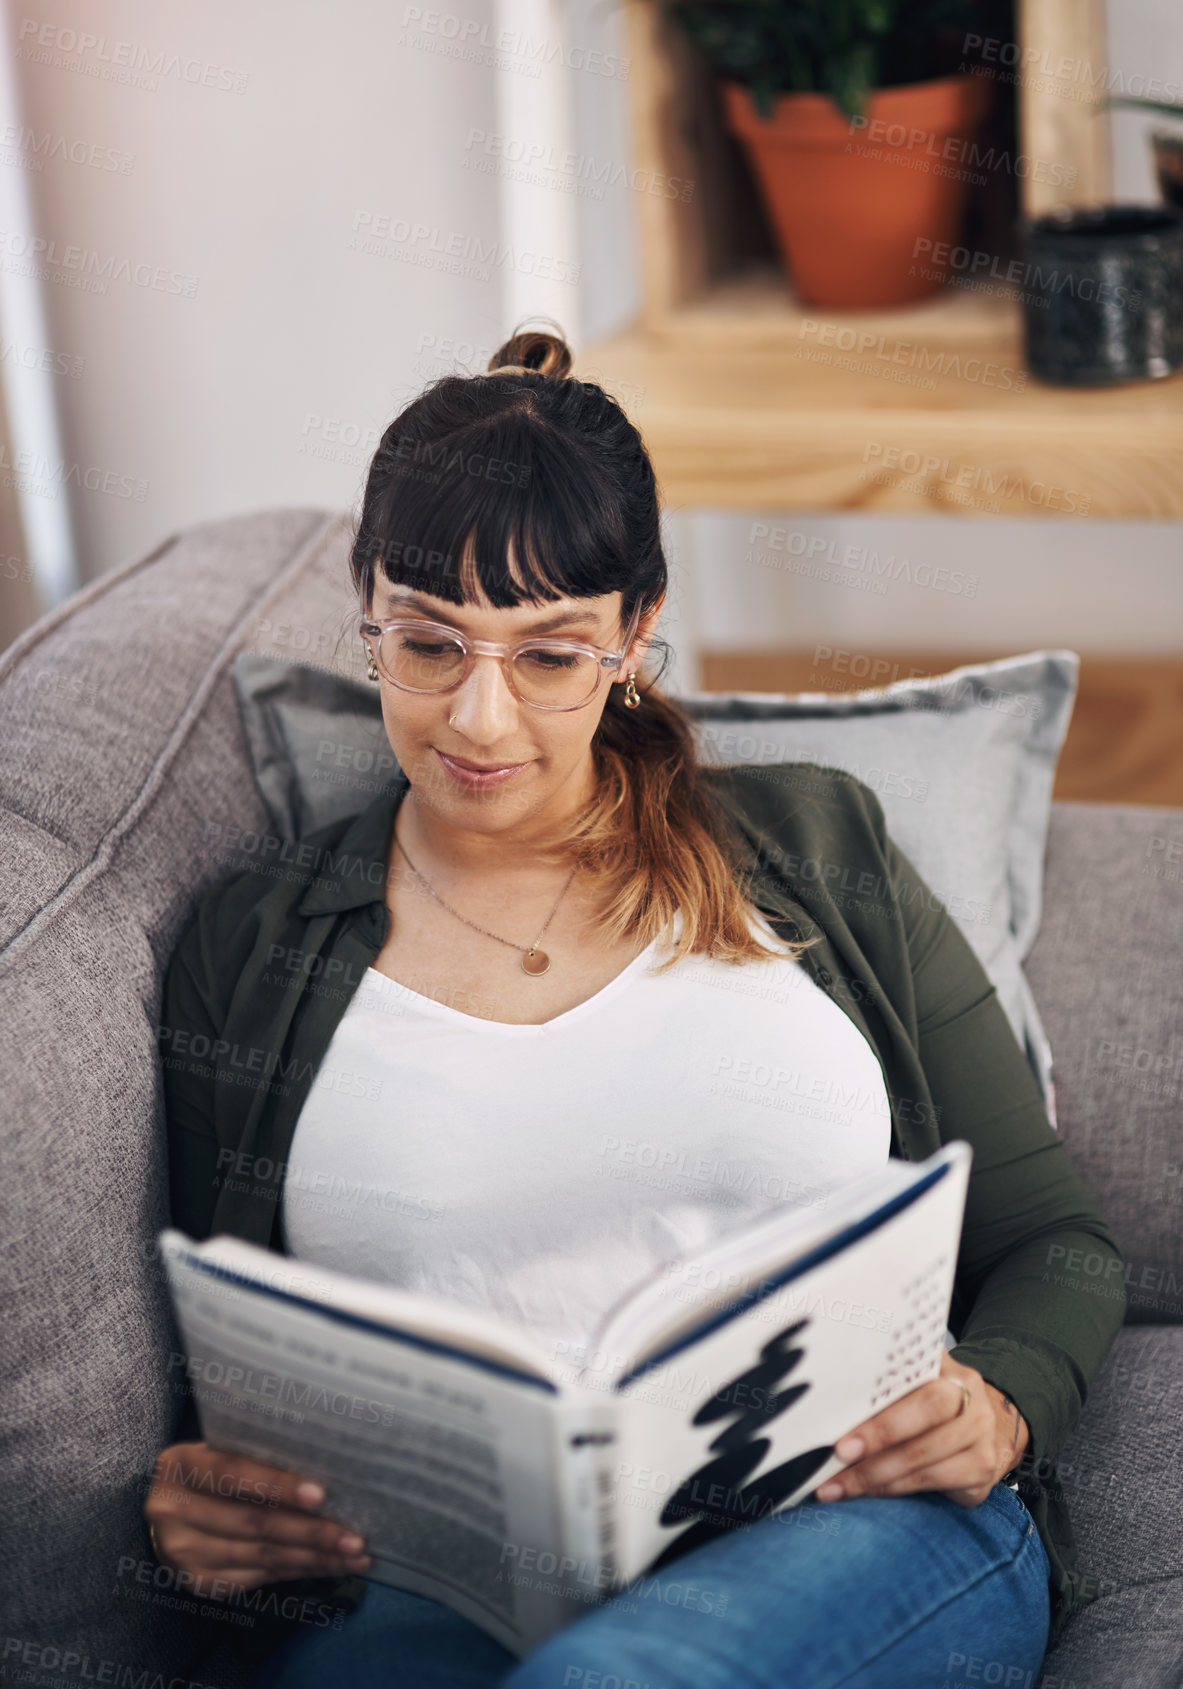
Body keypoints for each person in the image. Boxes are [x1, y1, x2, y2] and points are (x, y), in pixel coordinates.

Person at [146, 323, 1125, 1689]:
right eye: (428, 644)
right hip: (436, 1592)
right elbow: (223, 1384)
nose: (480, 720)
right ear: (364, 606)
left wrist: (1004, 1397)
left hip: (858, 1533)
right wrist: (203, 1512)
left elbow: (1062, 1241)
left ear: (636, 636)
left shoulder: (816, 851)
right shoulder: (247, 956)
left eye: (549, 656)